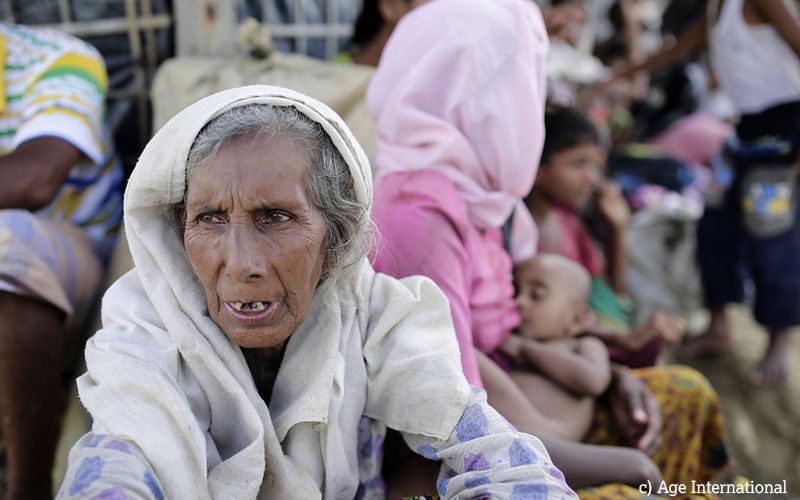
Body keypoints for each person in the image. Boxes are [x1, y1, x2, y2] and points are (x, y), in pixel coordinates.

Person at [56, 85, 575, 500]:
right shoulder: (143, 330)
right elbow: (121, 460)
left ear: (338, 237)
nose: (242, 263)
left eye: (275, 217)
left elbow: (486, 444)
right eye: (210, 219)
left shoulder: (382, 316)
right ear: (179, 229)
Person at [369, 0, 728, 495]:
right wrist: (624, 465)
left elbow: (520, 330)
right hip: (466, 457)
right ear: (481, 102)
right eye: (523, 91)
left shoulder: (475, 195)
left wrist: (612, 376)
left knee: (686, 393)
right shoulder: (420, 219)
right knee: (638, 485)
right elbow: (452, 425)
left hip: (526, 413)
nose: (530, 115)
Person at [596, 0, 800, 385]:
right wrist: (623, 75)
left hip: (783, 137)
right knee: (714, 228)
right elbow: (679, 50)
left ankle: (780, 338)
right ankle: (718, 325)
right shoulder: (716, 9)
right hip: (745, 135)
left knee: (772, 238)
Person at [0, 23, 123, 499]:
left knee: (7, 243)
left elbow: (35, 179)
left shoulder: (59, 60)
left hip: (72, 260)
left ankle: (29, 486)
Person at [526, 106, 685, 367]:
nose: (591, 177)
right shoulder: (519, 235)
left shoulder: (569, 225)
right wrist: (622, 339)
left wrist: (618, 228)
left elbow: (613, 289)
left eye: (594, 165)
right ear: (537, 169)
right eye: (578, 164)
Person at [499, 254, 610, 443]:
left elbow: (593, 381)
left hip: (551, 437)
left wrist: (525, 349)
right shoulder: (509, 339)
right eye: (515, 291)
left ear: (577, 319)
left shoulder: (584, 345)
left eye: (537, 295)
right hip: (510, 427)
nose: (519, 301)